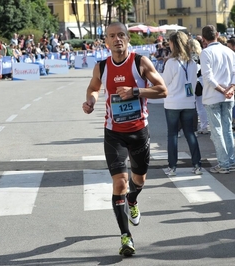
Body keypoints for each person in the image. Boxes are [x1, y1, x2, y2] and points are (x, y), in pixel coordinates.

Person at [82, 21, 167, 257]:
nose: (117, 39)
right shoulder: (101, 67)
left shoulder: (140, 63)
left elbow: (163, 90)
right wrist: (90, 101)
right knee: (119, 182)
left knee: (139, 180)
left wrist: (135, 92)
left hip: (139, 131)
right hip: (114, 133)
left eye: (121, 35)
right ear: (106, 42)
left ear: (127, 39)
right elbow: (93, 88)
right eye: (112, 36)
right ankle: (125, 236)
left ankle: (132, 200)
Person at [200, 25, 235, 174]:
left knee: (217, 132)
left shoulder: (206, 52)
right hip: (228, 96)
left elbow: (208, 77)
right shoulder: (229, 51)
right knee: (227, 130)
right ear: (217, 34)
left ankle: (224, 163)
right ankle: (231, 161)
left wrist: (223, 89)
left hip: (213, 96)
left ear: (203, 39)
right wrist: (231, 88)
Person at [162, 31, 202, 176]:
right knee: (190, 133)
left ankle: (172, 167)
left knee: (172, 134)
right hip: (189, 102)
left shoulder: (171, 63)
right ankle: (197, 165)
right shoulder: (192, 62)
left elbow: (164, 83)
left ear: (173, 44)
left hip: (173, 102)